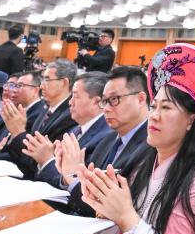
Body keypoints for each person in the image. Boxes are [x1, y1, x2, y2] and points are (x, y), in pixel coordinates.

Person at [79, 44, 195, 234]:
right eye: (153, 106)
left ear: (190, 120)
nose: (154, 115)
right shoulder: (147, 161)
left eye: (166, 107)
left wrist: (124, 215)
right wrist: (105, 209)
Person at [58, 65, 150, 217]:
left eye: (114, 99)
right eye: (104, 101)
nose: (106, 108)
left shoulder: (152, 146)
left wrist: (71, 175)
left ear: (140, 99)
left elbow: (107, 210)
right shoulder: (108, 140)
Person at [35, 72, 112, 189]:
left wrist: (47, 160)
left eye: (76, 96)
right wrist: (54, 157)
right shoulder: (75, 129)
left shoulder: (106, 137)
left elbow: (80, 184)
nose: (70, 102)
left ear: (98, 102)